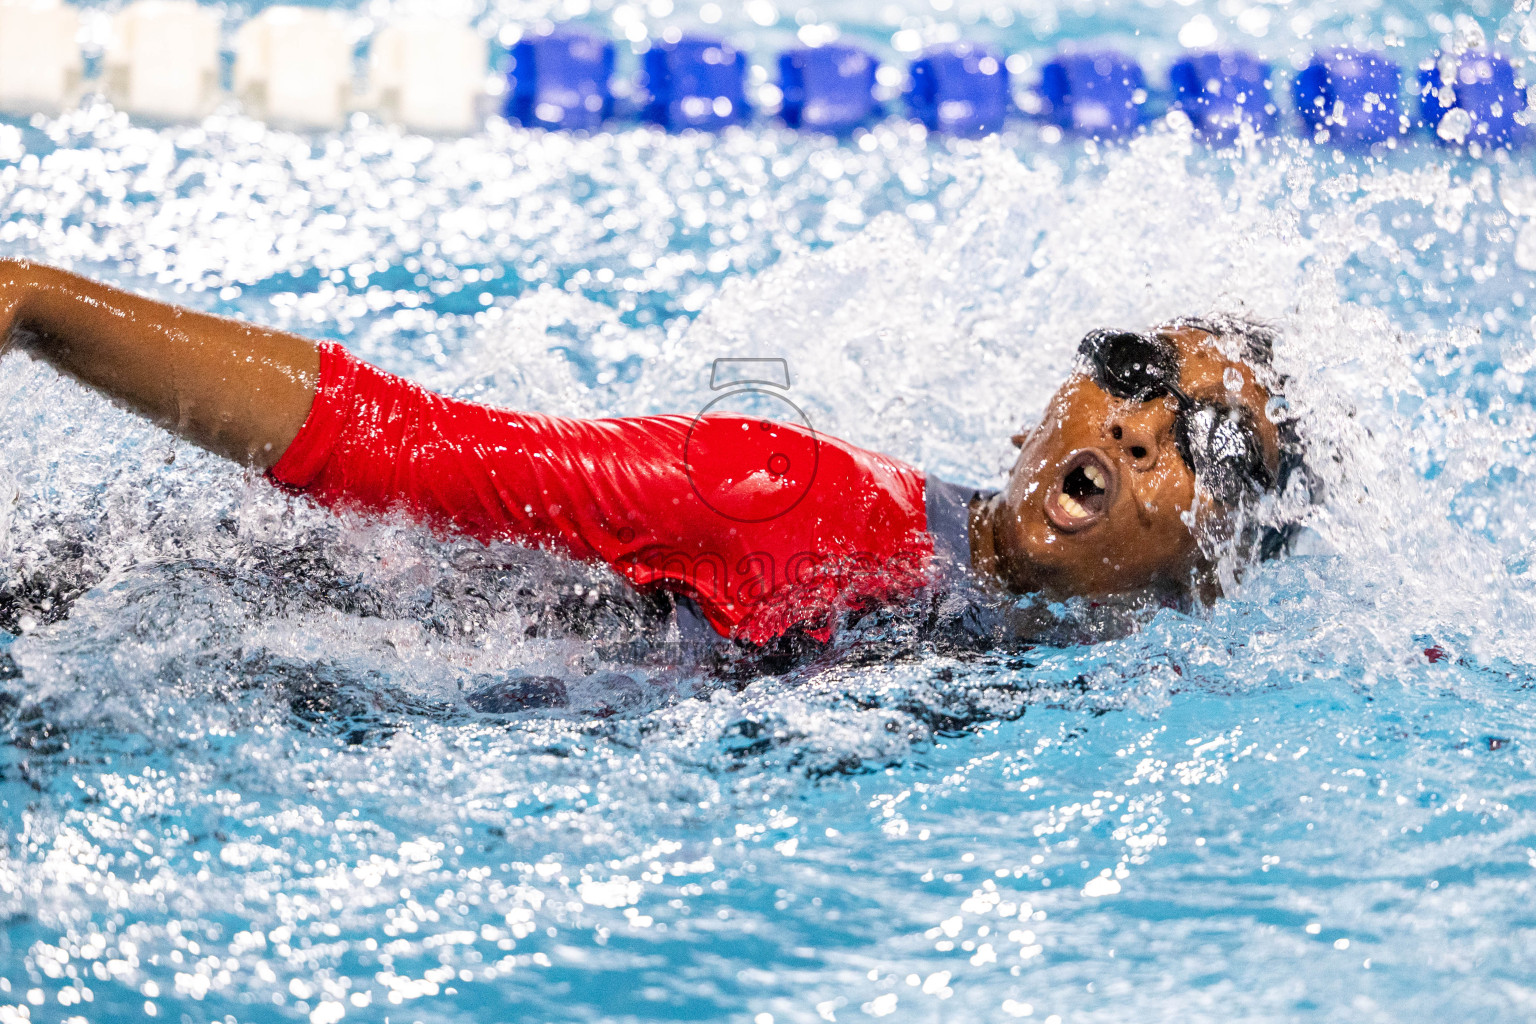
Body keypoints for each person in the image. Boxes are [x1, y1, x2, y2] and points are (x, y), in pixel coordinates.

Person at [0, 258, 1309, 647]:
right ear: (1044, 415)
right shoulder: (793, 509)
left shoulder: (1081, 642)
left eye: (1199, 438)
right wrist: (38, 308)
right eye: (1133, 371)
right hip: (206, 628)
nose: (1141, 420)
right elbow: (396, 445)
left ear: (1217, 566)